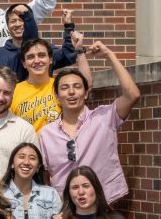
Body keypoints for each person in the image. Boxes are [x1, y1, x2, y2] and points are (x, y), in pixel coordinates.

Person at [38, 42, 140, 204]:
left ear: (86, 93)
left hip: (104, 203)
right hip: (64, 207)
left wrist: (108, 54)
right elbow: (44, 174)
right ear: (57, 97)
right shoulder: (46, 133)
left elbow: (132, 95)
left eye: (77, 87)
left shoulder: (104, 118)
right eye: (64, 88)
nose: (71, 92)